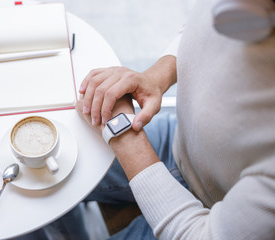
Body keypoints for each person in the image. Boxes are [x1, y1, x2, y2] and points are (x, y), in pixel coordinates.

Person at [75, 0, 275, 239]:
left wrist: (123, 134)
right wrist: (156, 77)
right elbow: (205, 24)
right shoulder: (246, 8)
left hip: (201, 219)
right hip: (180, 141)